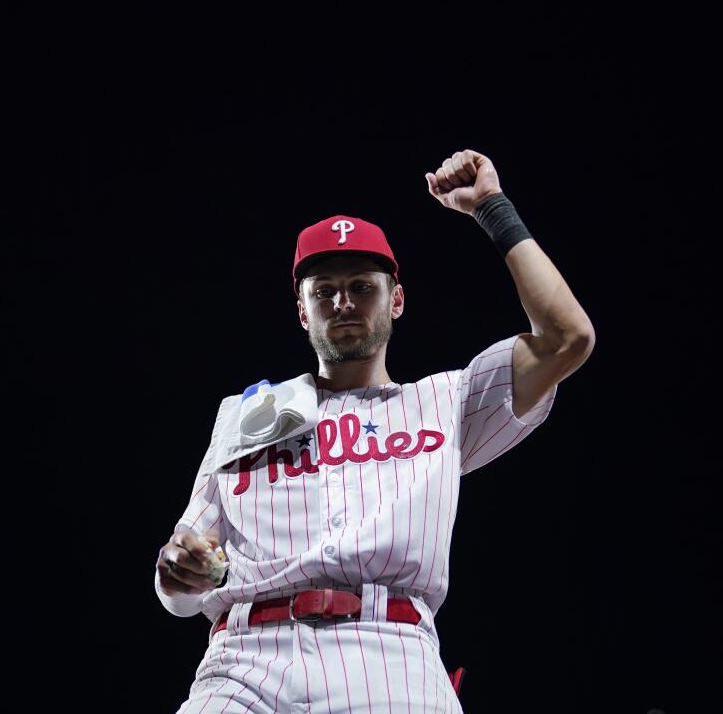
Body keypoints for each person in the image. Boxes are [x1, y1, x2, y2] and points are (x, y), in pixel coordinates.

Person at [155, 149, 596, 714]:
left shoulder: (446, 401)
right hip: (245, 661)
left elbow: (568, 337)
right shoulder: (247, 415)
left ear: (397, 300)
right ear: (302, 311)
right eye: (324, 290)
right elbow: (180, 571)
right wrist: (179, 567)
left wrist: (492, 207)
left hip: (387, 658)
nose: (343, 302)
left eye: (362, 286)